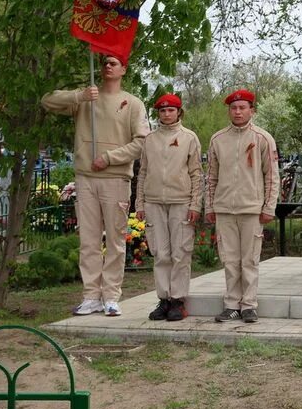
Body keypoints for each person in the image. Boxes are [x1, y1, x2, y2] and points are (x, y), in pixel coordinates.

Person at [41, 54, 149, 316]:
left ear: (124, 69)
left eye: (114, 63)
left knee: (114, 239)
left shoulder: (132, 103)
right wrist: (79, 96)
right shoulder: (86, 98)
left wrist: (110, 158)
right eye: (104, 63)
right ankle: (91, 295)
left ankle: (111, 295)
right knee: (88, 240)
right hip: (86, 177)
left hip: (115, 178)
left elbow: (141, 141)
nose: (108, 66)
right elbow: (47, 101)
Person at [206, 89, 280, 323]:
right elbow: (211, 177)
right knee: (229, 259)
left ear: (251, 110)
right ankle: (231, 304)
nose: (237, 112)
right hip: (225, 209)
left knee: (249, 259)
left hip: (252, 209)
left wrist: (268, 207)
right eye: (233, 108)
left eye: (242, 108)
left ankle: (248, 305)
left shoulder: (263, 138)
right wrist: (210, 207)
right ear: (229, 110)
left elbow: (272, 176)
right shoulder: (217, 139)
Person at [137, 93, 202, 322]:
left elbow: (196, 173)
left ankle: (177, 300)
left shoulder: (189, 138)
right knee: (160, 252)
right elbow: (143, 172)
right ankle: (163, 299)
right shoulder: (150, 139)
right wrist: (140, 203)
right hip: (154, 201)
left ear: (179, 112)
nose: (166, 114)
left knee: (180, 252)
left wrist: (195, 204)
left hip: (181, 201)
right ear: (158, 114)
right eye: (162, 111)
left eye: (171, 110)